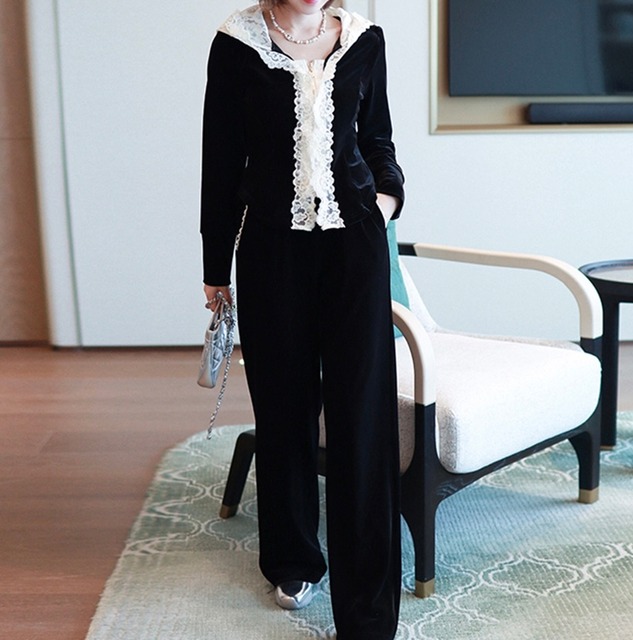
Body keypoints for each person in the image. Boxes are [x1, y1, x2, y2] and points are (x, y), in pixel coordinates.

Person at [200, 1, 404, 638]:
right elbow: (220, 159)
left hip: (355, 245)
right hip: (271, 247)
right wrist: (215, 268)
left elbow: (378, 139)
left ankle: (367, 604)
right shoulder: (237, 42)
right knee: (284, 407)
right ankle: (292, 558)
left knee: (361, 416)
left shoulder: (364, 39)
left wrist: (386, 200)